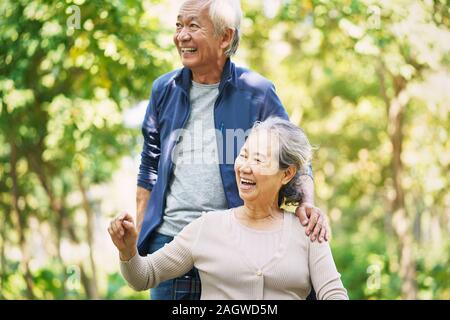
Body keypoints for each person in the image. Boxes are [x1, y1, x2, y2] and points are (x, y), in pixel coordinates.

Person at [135, 0, 329, 300]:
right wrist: (139, 233)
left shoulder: (257, 91)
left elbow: (294, 156)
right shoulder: (164, 89)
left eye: (193, 26)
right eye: (178, 25)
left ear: (225, 37)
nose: (181, 36)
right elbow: (149, 164)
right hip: (170, 241)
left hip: (232, 248)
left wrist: (307, 204)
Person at [110, 117, 348, 300]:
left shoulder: (308, 232)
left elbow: (334, 294)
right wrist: (127, 251)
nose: (245, 167)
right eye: (243, 155)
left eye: (258, 160)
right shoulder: (206, 227)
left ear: (287, 173)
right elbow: (144, 276)